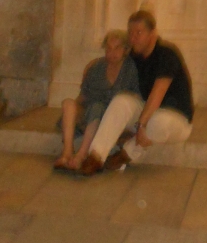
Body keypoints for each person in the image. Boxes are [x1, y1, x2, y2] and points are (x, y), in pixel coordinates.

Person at [79, 9, 194, 174]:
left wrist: (141, 125)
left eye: (138, 33)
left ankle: (126, 154)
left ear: (153, 34)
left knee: (157, 122)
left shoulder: (167, 54)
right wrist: (94, 65)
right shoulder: (135, 55)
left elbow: (157, 94)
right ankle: (96, 156)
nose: (133, 38)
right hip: (148, 110)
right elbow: (114, 61)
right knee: (121, 101)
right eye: (131, 33)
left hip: (176, 119)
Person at [53, 30, 139, 171]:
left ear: (126, 50)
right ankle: (67, 152)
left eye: (117, 48)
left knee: (97, 107)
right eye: (108, 48)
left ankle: (81, 155)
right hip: (90, 111)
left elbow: (136, 99)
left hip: (110, 118)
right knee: (68, 103)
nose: (112, 53)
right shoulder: (96, 67)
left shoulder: (131, 69)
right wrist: (74, 113)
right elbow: (83, 96)